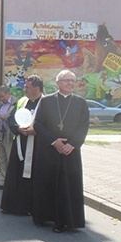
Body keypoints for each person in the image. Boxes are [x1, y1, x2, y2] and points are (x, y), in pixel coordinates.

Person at [32, 70, 89, 233]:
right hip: (49, 151)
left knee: (67, 186)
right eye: (66, 80)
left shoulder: (80, 102)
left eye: (73, 80)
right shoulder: (47, 101)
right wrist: (54, 141)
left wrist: (72, 144)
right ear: (58, 83)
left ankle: (65, 221)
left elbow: (84, 126)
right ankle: (43, 216)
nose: (70, 83)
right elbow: (38, 124)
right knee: (47, 184)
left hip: (70, 152)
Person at [0, 75, 43, 215]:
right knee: (16, 174)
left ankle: (31, 207)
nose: (25, 89)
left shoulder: (46, 103)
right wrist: (17, 128)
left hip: (37, 145)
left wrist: (35, 129)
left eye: (27, 87)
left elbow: (49, 122)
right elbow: (12, 118)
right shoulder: (23, 102)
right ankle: (14, 205)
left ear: (37, 88)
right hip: (21, 143)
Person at [0, 85, 17, 190]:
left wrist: (5, 117)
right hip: (0, 133)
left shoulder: (16, 103)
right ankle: (2, 181)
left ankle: (11, 182)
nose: (1, 99)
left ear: (8, 93)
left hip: (9, 135)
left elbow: (16, 118)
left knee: (10, 158)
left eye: (2, 96)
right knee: (2, 159)